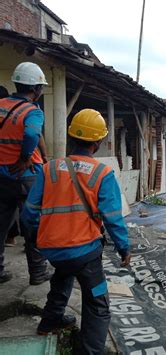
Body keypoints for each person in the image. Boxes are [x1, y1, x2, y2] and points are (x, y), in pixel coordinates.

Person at [22, 108, 130, 354]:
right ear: (98, 142)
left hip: (53, 249)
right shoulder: (102, 173)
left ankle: (50, 321)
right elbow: (113, 219)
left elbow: (28, 213)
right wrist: (124, 248)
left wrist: (38, 238)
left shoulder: (48, 169)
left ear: (71, 137)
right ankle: (90, 351)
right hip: (85, 253)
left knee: (63, 275)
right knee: (97, 303)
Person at [0, 63, 50, 284]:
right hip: (25, 174)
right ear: (36, 88)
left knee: (1, 223)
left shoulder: (1, 105)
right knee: (32, 222)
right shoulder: (33, 111)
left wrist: (46, 156)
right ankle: (38, 272)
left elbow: (36, 136)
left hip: (2, 175)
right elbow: (31, 134)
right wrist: (24, 158)